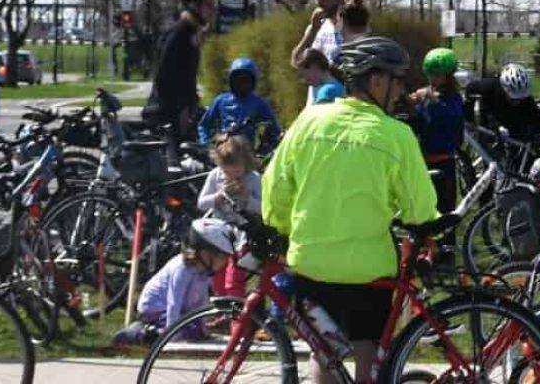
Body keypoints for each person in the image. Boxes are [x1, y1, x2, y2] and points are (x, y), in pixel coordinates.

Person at [262, 36, 439, 383]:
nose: (401, 89)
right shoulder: (396, 135)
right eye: (398, 80)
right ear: (376, 81)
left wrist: (280, 229)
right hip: (368, 270)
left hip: (311, 261)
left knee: (324, 355)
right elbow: (420, 208)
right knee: (366, 350)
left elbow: (275, 186)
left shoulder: (309, 121)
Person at [112, 217, 234, 346]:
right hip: (156, 307)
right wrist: (172, 334)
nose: (224, 262)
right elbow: (173, 302)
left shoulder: (205, 272)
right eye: (221, 256)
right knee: (186, 331)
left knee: (197, 331)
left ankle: (160, 329)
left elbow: (201, 301)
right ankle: (137, 334)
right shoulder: (182, 268)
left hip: (178, 311)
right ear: (204, 252)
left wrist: (202, 324)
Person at [143, 0, 220, 157]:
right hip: (167, 115)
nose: (213, 9)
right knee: (173, 172)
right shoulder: (179, 34)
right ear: (194, 5)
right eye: (209, 5)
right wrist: (181, 110)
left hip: (181, 113)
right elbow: (163, 77)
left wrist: (193, 103)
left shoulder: (190, 33)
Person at [410, 48, 465, 255]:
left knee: (445, 209)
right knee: (425, 206)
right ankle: (426, 246)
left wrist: (427, 99)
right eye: (430, 75)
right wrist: (411, 106)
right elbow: (418, 124)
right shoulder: (426, 97)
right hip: (425, 160)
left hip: (444, 160)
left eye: (437, 75)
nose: (433, 79)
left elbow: (446, 120)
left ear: (448, 76)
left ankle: (446, 248)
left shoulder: (452, 100)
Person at [197, 135, 261, 297]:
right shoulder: (215, 175)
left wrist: (247, 198)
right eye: (227, 171)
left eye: (237, 171)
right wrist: (218, 197)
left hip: (243, 232)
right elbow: (201, 203)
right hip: (220, 231)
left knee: (234, 278)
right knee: (218, 277)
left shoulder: (253, 179)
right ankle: (222, 311)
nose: (232, 176)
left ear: (245, 163)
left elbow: (264, 209)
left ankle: (236, 312)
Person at [197, 57, 281, 153]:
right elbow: (204, 125)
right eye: (237, 79)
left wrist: (265, 150)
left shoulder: (259, 104)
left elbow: (275, 130)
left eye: (245, 80)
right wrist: (206, 145)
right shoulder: (221, 101)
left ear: (253, 81)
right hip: (223, 151)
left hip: (247, 155)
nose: (241, 83)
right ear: (231, 80)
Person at [463, 63, 540, 144]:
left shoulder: (525, 99)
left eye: (520, 98)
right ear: (504, 88)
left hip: (511, 119)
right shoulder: (489, 86)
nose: (517, 101)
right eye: (514, 98)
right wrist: (469, 118)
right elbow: (469, 90)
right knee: (488, 139)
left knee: (522, 136)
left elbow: (538, 116)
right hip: (490, 116)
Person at [291, 0, 346, 105]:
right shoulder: (317, 27)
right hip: (314, 101)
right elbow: (296, 61)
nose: (320, 3)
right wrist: (313, 29)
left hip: (338, 102)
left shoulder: (349, 28)